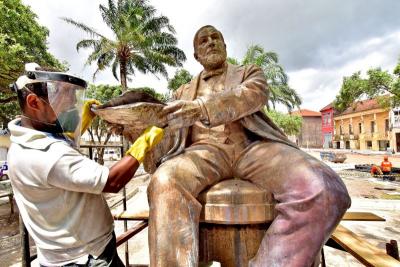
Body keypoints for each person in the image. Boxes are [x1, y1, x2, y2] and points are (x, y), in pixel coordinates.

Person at [147, 25, 351, 266]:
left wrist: (202, 108)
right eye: (203, 40)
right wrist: (133, 129)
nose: (211, 42)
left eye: (216, 38)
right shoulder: (182, 92)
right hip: (202, 153)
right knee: (163, 181)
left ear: (225, 46)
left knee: (325, 188)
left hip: (252, 148)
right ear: (196, 55)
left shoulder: (249, 73)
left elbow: (252, 95)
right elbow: (166, 141)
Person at [7, 63, 164, 267]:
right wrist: (144, 141)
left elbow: (63, 145)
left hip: (65, 255)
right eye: (63, 94)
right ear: (34, 102)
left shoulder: (23, 142)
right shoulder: (47, 155)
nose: (72, 103)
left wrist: (83, 122)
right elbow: (112, 181)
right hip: (86, 257)